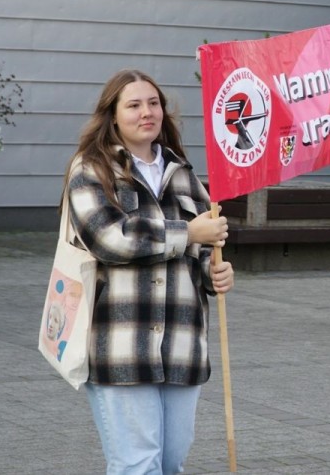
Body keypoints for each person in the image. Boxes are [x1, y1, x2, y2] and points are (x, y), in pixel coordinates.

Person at [64, 68, 234, 475]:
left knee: (171, 463)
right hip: (122, 343)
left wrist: (216, 273)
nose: (147, 112)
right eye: (134, 105)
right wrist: (187, 231)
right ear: (113, 115)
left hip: (182, 345)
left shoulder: (184, 174)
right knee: (138, 466)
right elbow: (110, 239)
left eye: (154, 103)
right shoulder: (91, 170)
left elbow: (200, 252)